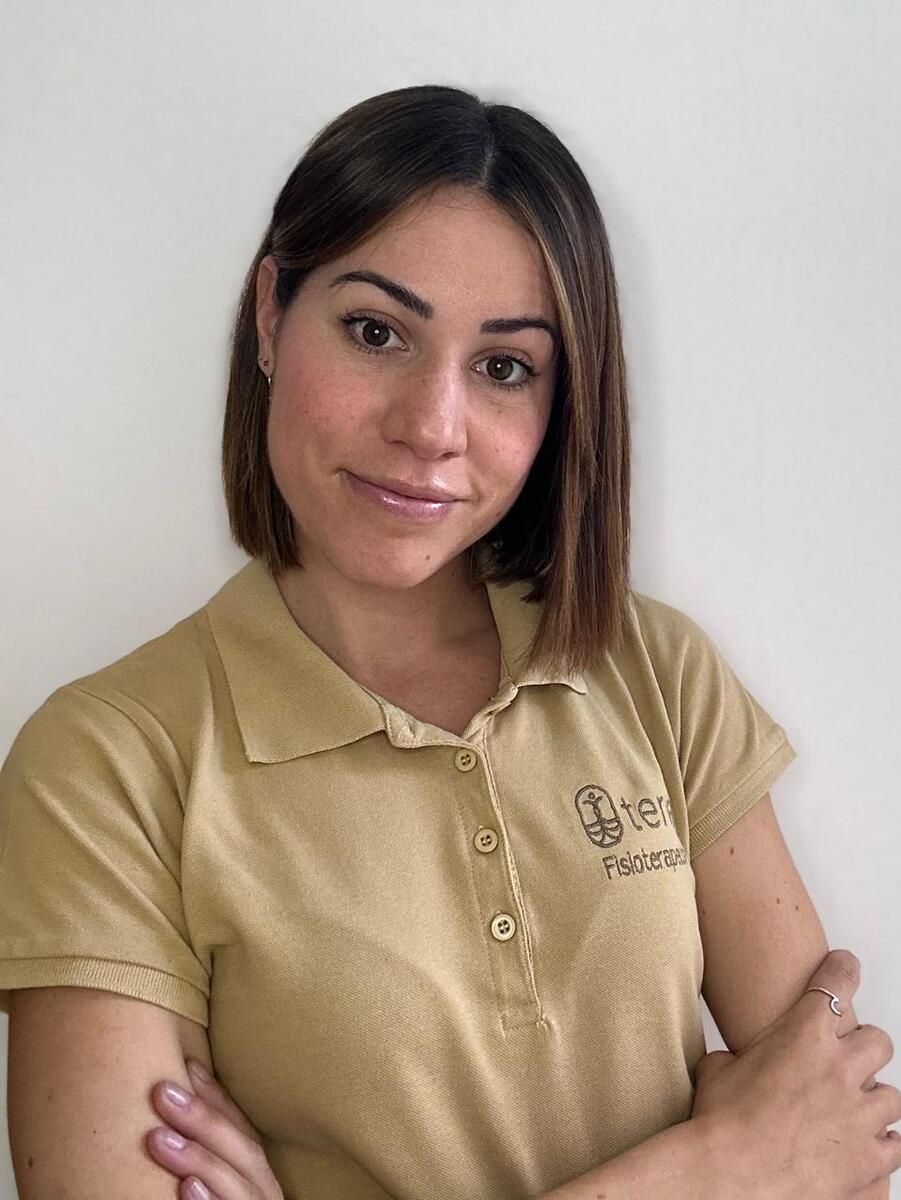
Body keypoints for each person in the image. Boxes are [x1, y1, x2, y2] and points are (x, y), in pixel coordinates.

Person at [1, 84, 898, 1200]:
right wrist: (715, 1170)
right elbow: (774, 1162)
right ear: (272, 314)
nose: (430, 426)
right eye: (376, 333)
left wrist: (778, 1159)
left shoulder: (655, 672)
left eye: (503, 366)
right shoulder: (107, 765)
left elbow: (838, 1157)